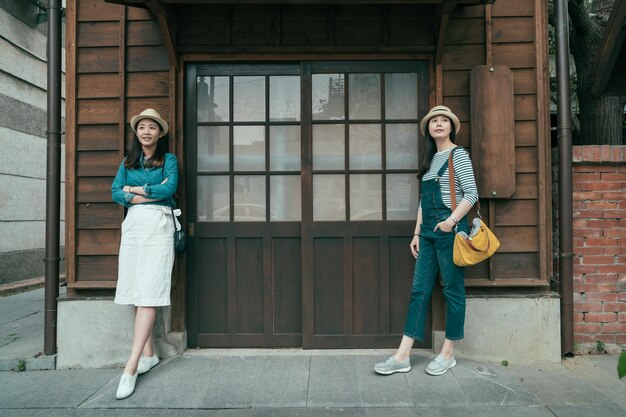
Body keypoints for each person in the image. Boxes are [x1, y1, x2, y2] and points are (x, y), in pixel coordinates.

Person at [374, 105, 478, 377]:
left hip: (451, 231)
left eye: (445, 120)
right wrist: (417, 233)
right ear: (429, 129)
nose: (439, 124)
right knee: (419, 291)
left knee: (453, 290)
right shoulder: (430, 160)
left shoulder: (459, 155)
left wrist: (451, 222)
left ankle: (448, 353)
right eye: (435, 121)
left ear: (451, 127)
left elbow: (471, 194)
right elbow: (423, 201)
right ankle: (403, 355)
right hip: (429, 233)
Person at [111, 108, 180, 399]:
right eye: (142, 128)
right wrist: (140, 191)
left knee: (150, 290)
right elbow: (115, 191)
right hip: (134, 227)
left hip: (158, 225)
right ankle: (149, 355)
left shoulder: (169, 160)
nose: (147, 132)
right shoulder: (127, 162)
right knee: (135, 289)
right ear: (136, 133)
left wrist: (136, 190)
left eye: (152, 127)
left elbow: (170, 188)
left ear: (159, 133)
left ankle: (130, 366)